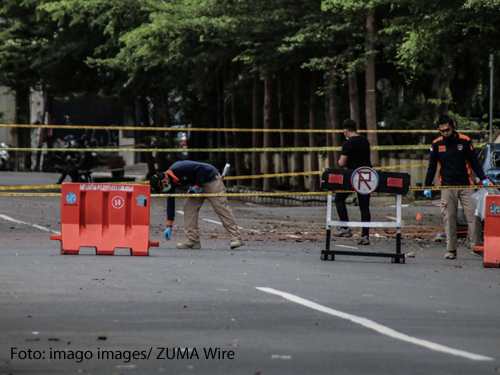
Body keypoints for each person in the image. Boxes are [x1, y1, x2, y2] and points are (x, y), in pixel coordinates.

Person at [424, 115, 490, 260]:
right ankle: (451, 250)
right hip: (447, 186)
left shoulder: (465, 141)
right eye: (442, 131)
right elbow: (432, 166)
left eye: (447, 129)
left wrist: (483, 178)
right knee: (449, 217)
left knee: (474, 216)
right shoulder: (436, 144)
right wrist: (427, 186)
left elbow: (474, 161)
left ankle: (477, 246)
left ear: (454, 127)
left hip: (466, 184)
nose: (445, 133)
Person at [149, 160, 244, 250]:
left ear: (164, 181)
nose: (164, 189)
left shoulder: (178, 168)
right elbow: (170, 202)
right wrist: (169, 225)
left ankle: (236, 238)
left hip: (211, 180)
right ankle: (193, 240)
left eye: (162, 187)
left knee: (221, 208)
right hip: (197, 184)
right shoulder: (170, 182)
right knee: (189, 207)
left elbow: (200, 168)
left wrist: (198, 186)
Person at [333, 119, 372, 245]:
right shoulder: (364, 140)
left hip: (353, 176)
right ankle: (365, 236)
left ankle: (345, 227)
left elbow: (342, 163)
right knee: (364, 206)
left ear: (345, 130)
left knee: (339, 199)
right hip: (367, 177)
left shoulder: (348, 143)